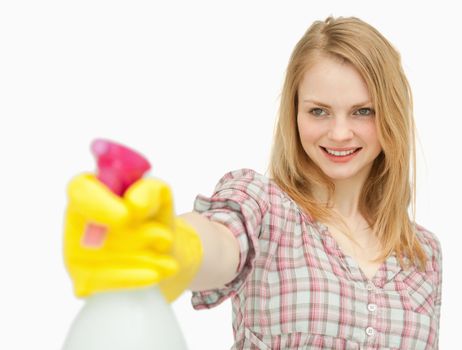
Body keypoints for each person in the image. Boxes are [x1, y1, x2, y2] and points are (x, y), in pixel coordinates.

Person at [64, 16, 442, 349]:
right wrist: (169, 244)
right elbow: (218, 241)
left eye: (363, 111)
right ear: (294, 114)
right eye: (319, 111)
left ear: (391, 115)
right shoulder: (263, 205)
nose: (340, 132)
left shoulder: (423, 254)